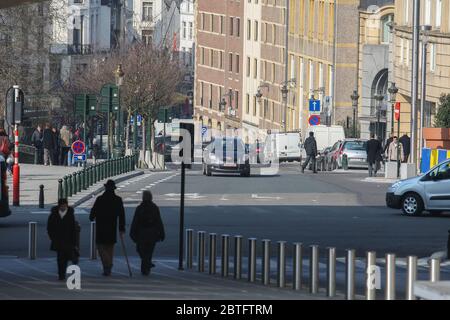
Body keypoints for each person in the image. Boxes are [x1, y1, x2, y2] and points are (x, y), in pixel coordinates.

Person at [89, 179, 126, 276]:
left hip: (101, 226)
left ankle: (107, 265)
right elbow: (121, 215)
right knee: (110, 248)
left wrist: (91, 217)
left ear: (105, 188)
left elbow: (93, 212)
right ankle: (108, 266)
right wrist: (121, 228)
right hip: (112, 226)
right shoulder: (118, 200)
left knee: (100, 247)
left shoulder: (100, 199)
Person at [130, 191, 165, 276]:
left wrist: (132, 233)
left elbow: (135, 221)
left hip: (141, 233)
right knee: (149, 251)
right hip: (152, 233)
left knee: (140, 250)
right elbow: (158, 221)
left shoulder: (140, 208)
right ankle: (147, 266)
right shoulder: (154, 207)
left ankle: (146, 266)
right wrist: (162, 233)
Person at [47, 198, 78, 280]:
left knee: (67, 257)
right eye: (62, 206)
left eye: (65, 205)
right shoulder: (54, 214)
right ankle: (61, 274)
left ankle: (64, 271)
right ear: (59, 206)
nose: (64, 207)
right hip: (58, 240)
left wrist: (74, 242)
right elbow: (49, 227)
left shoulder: (70, 214)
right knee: (60, 258)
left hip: (68, 240)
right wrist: (52, 237)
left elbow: (73, 229)